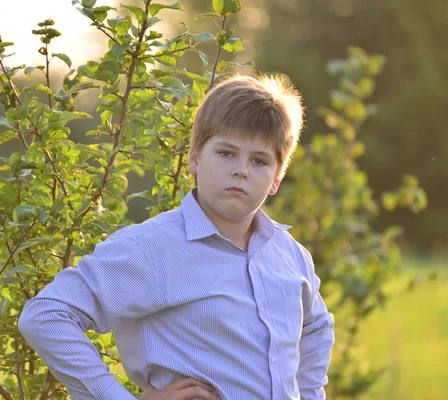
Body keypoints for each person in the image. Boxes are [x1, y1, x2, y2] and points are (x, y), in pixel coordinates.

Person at [18, 74, 335, 400]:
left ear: (276, 179)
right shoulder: (152, 249)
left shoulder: (290, 256)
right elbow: (46, 315)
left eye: (259, 160)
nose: (242, 170)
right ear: (194, 158)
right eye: (226, 153)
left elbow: (316, 329)